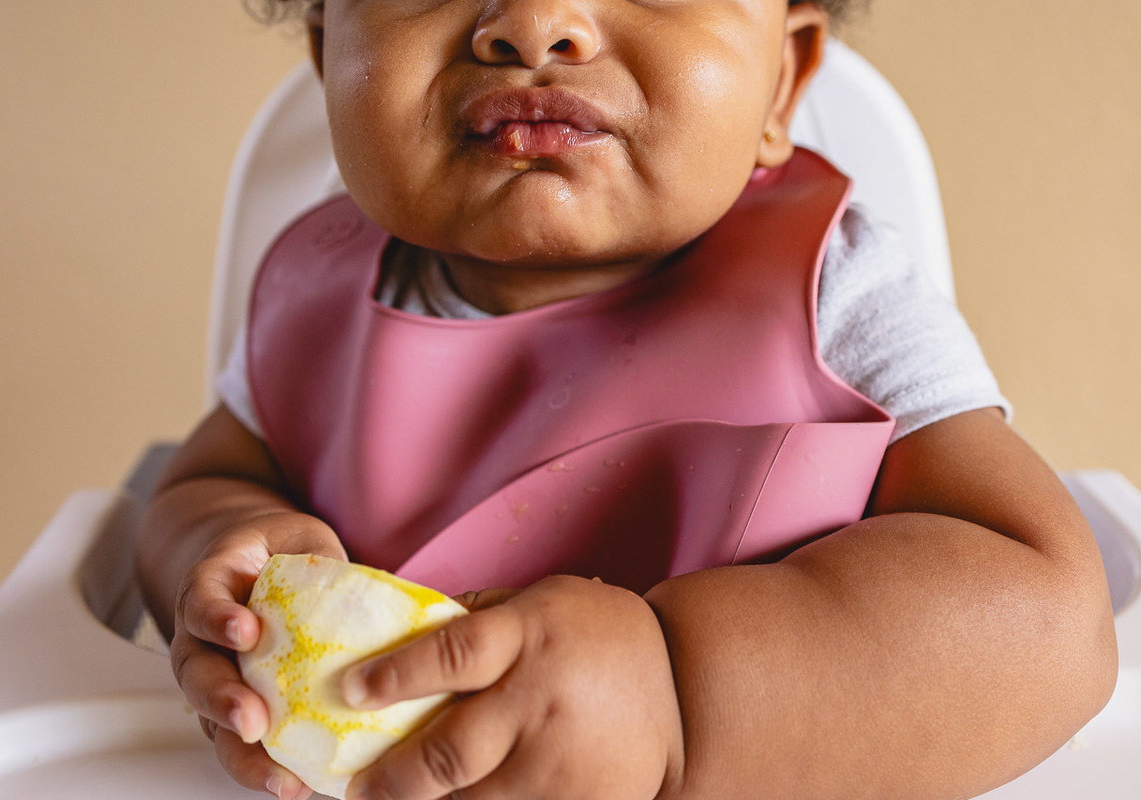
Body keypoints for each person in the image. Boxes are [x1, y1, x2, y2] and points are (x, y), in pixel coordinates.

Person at [135, 1, 1118, 798]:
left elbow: (1046, 618)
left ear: (782, 78)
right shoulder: (313, 299)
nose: (534, 23)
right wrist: (224, 561)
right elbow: (201, 487)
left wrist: (675, 699)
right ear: (325, 56)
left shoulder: (836, 295)